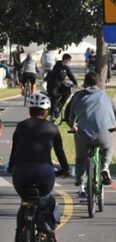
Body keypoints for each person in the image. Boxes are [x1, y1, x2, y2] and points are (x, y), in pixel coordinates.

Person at [6, 93, 69, 241]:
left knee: (24, 202)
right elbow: (60, 154)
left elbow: (14, 152)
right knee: (46, 200)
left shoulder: (21, 126)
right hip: (44, 174)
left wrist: (10, 167)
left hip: (20, 174)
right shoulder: (52, 128)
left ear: (30, 111)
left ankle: (19, 233)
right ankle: (47, 231)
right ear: (46, 112)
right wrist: (65, 170)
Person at [68, 72, 116, 198]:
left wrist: (73, 125)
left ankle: (80, 180)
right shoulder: (106, 96)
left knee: (81, 158)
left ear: (85, 83)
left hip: (83, 134)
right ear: (98, 83)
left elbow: (71, 115)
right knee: (108, 147)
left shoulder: (78, 96)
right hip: (103, 134)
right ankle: (105, 167)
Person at [46, 53, 77, 119]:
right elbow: (58, 76)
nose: (69, 62)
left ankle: (59, 107)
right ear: (65, 60)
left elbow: (71, 75)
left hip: (60, 85)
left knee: (69, 91)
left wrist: (76, 83)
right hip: (53, 85)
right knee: (54, 97)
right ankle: (53, 113)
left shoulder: (66, 67)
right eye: (69, 60)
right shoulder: (57, 66)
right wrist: (63, 81)